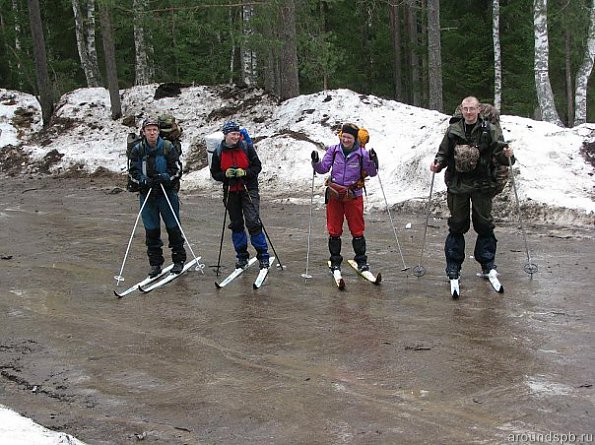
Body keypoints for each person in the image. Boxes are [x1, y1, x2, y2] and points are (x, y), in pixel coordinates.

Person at [430, 96, 515, 280]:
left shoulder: (490, 130)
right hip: (457, 184)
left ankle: (487, 264)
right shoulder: (453, 130)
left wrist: (508, 155)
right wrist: (438, 163)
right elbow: (443, 153)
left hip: (481, 185)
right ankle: (453, 266)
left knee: (484, 224)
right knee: (457, 224)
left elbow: (502, 156)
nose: (468, 112)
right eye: (465, 109)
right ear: (461, 109)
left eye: (472, 109)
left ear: (478, 110)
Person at [311, 123, 378, 272]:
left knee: (357, 229)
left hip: (354, 195)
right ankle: (335, 261)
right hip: (335, 194)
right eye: (344, 137)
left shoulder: (362, 154)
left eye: (349, 137)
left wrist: (374, 161)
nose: (346, 140)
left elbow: (372, 173)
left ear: (355, 139)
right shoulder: (334, 150)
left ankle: (361, 261)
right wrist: (315, 162)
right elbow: (323, 168)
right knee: (334, 229)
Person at [128, 117, 186, 277]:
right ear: (144, 132)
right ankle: (155, 264)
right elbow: (132, 172)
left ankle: (179, 260)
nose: (152, 132)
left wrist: (165, 177)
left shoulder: (167, 147)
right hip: (147, 194)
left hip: (166, 193)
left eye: (154, 130)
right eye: (149, 130)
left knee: (173, 227)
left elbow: (177, 170)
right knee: (151, 230)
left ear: (158, 132)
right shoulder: (137, 150)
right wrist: (142, 180)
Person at [210, 120, 270, 269]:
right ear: (225, 135)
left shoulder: (247, 147)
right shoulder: (218, 151)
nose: (236, 137)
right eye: (233, 134)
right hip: (231, 190)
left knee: (253, 221)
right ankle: (242, 256)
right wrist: (225, 174)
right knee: (236, 224)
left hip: (249, 188)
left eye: (237, 133)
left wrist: (245, 172)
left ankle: (263, 255)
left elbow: (257, 167)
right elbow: (215, 173)